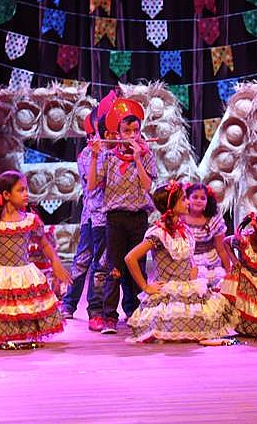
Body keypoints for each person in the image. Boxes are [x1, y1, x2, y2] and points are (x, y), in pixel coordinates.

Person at [0, 171, 70, 345]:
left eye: (26, 189)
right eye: (21, 190)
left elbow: (45, 245)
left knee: (22, 310)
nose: (26, 194)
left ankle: (17, 335)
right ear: (7, 195)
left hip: (22, 274)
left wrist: (56, 264)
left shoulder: (30, 220)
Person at [124, 182, 237, 343]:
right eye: (183, 199)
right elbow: (130, 258)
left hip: (188, 286)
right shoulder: (159, 233)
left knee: (211, 316)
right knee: (174, 322)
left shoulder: (183, 230)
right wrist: (146, 287)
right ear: (171, 204)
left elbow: (188, 256)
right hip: (169, 289)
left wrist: (193, 268)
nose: (188, 202)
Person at [85, 98, 158, 334]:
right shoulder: (108, 157)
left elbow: (147, 186)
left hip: (138, 218)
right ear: (117, 133)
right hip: (115, 219)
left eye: (136, 130)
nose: (132, 135)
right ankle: (109, 316)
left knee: (137, 268)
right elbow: (92, 186)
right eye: (127, 131)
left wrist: (137, 158)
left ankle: (135, 312)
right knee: (113, 268)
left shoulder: (147, 155)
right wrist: (94, 156)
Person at [61, 112, 113, 329]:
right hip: (93, 216)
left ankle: (97, 308)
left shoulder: (118, 152)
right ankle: (74, 304)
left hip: (112, 217)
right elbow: (94, 184)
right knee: (84, 260)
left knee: (102, 263)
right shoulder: (87, 154)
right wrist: (100, 152)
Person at [182, 182, 233, 289]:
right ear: (187, 199)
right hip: (187, 261)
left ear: (207, 201)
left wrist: (229, 271)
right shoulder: (180, 218)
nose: (199, 201)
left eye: (203, 198)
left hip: (211, 262)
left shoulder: (213, 220)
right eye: (195, 197)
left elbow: (221, 249)